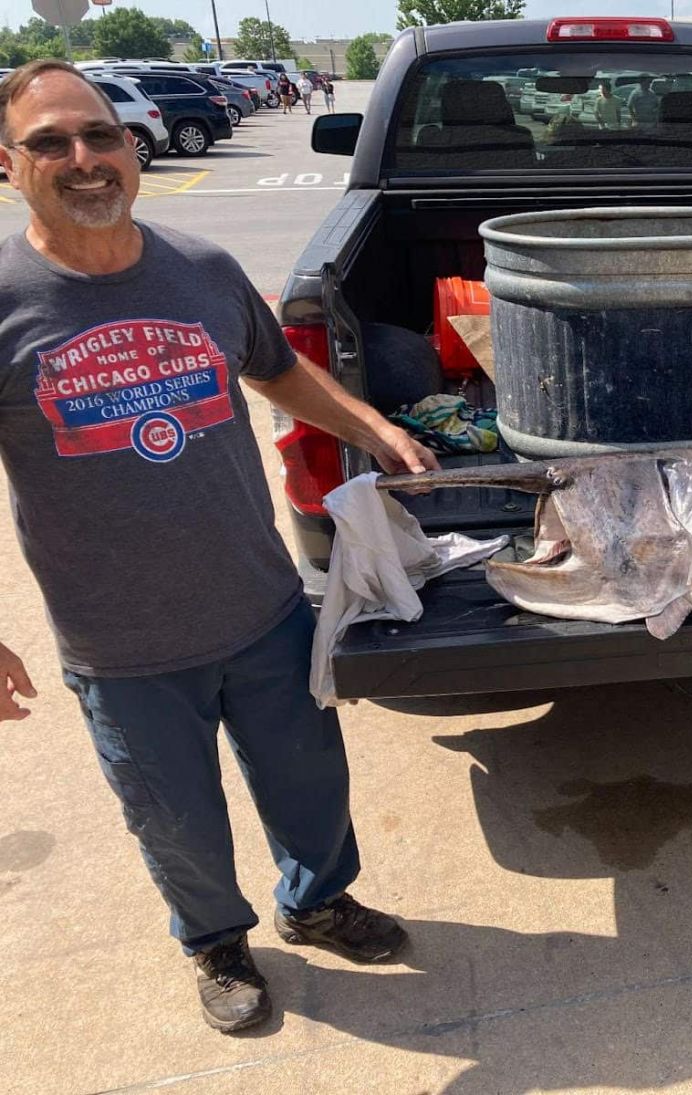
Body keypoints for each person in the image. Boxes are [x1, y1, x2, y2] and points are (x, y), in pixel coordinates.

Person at [0, 60, 439, 1034]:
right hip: (121, 646)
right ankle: (216, 942)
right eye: (50, 142)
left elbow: (279, 373)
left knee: (310, 781)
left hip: (262, 609)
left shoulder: (199, 269)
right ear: (8, 163)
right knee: (175, 819)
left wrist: (372, 427)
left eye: (101, 134)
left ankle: (317, 901)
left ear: (131, 149)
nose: (83, 158)